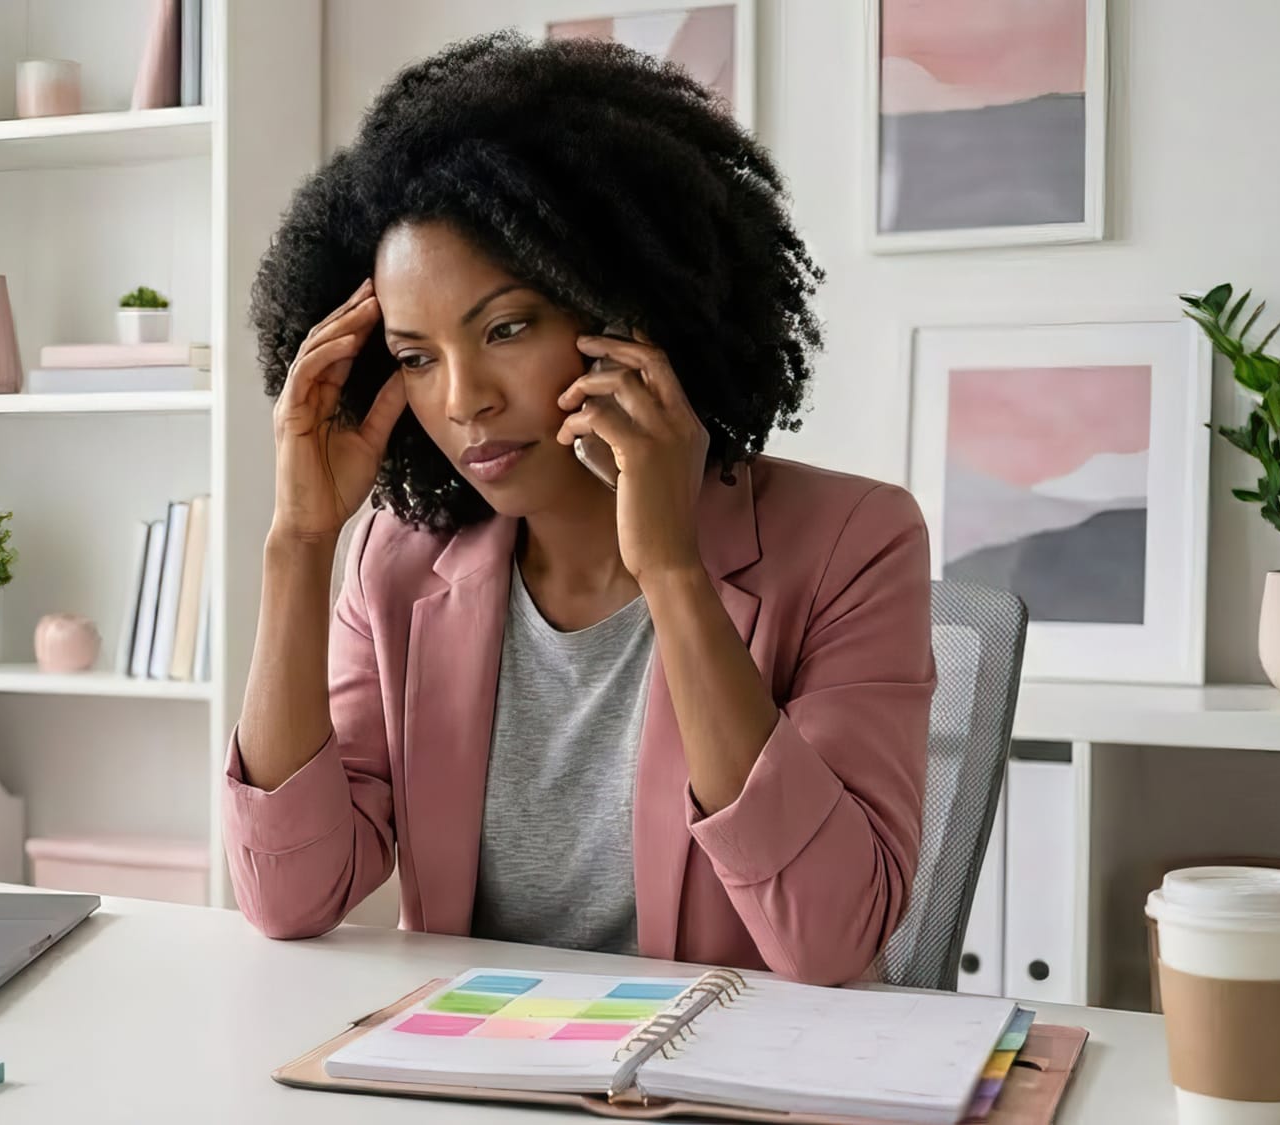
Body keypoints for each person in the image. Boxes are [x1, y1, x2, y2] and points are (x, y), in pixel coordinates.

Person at [224, 32, 935, 986]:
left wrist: (674, 572)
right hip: (478, 1068)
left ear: (625, 314)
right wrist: (300, 545)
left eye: (506, 328)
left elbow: (831, 939)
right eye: (417, 356)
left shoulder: (855, 543)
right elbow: (288, 895)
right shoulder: (390, 564)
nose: (463, 398)